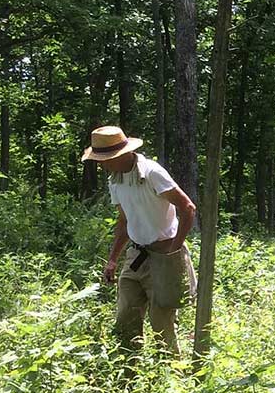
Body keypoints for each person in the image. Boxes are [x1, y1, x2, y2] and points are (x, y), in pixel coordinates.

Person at [82, 126, 198, 355]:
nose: (102, 164)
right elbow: (124, 220)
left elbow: (188, 208)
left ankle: (171, 376)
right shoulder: (115, 180)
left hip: (164, 252)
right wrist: (112, 260)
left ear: (123, 154)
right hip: (135, 255)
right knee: (126, 318)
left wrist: (173, 252)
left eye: (105, 159)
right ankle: (129, 375)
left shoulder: (152, 173)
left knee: (161, 323)